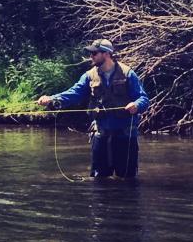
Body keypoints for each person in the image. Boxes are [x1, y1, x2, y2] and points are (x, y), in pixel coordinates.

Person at [37, 39, 149, 178]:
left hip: (125, 136)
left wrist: (136, 105)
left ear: (107, 54)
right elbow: (74, 93)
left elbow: (144, 99)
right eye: (91, 53)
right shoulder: (89, 76)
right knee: (99, 180)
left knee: (127, 180)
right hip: (101, 134)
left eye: (94, 53)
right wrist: (52, 99)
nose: (91, 56)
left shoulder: (128, 74)